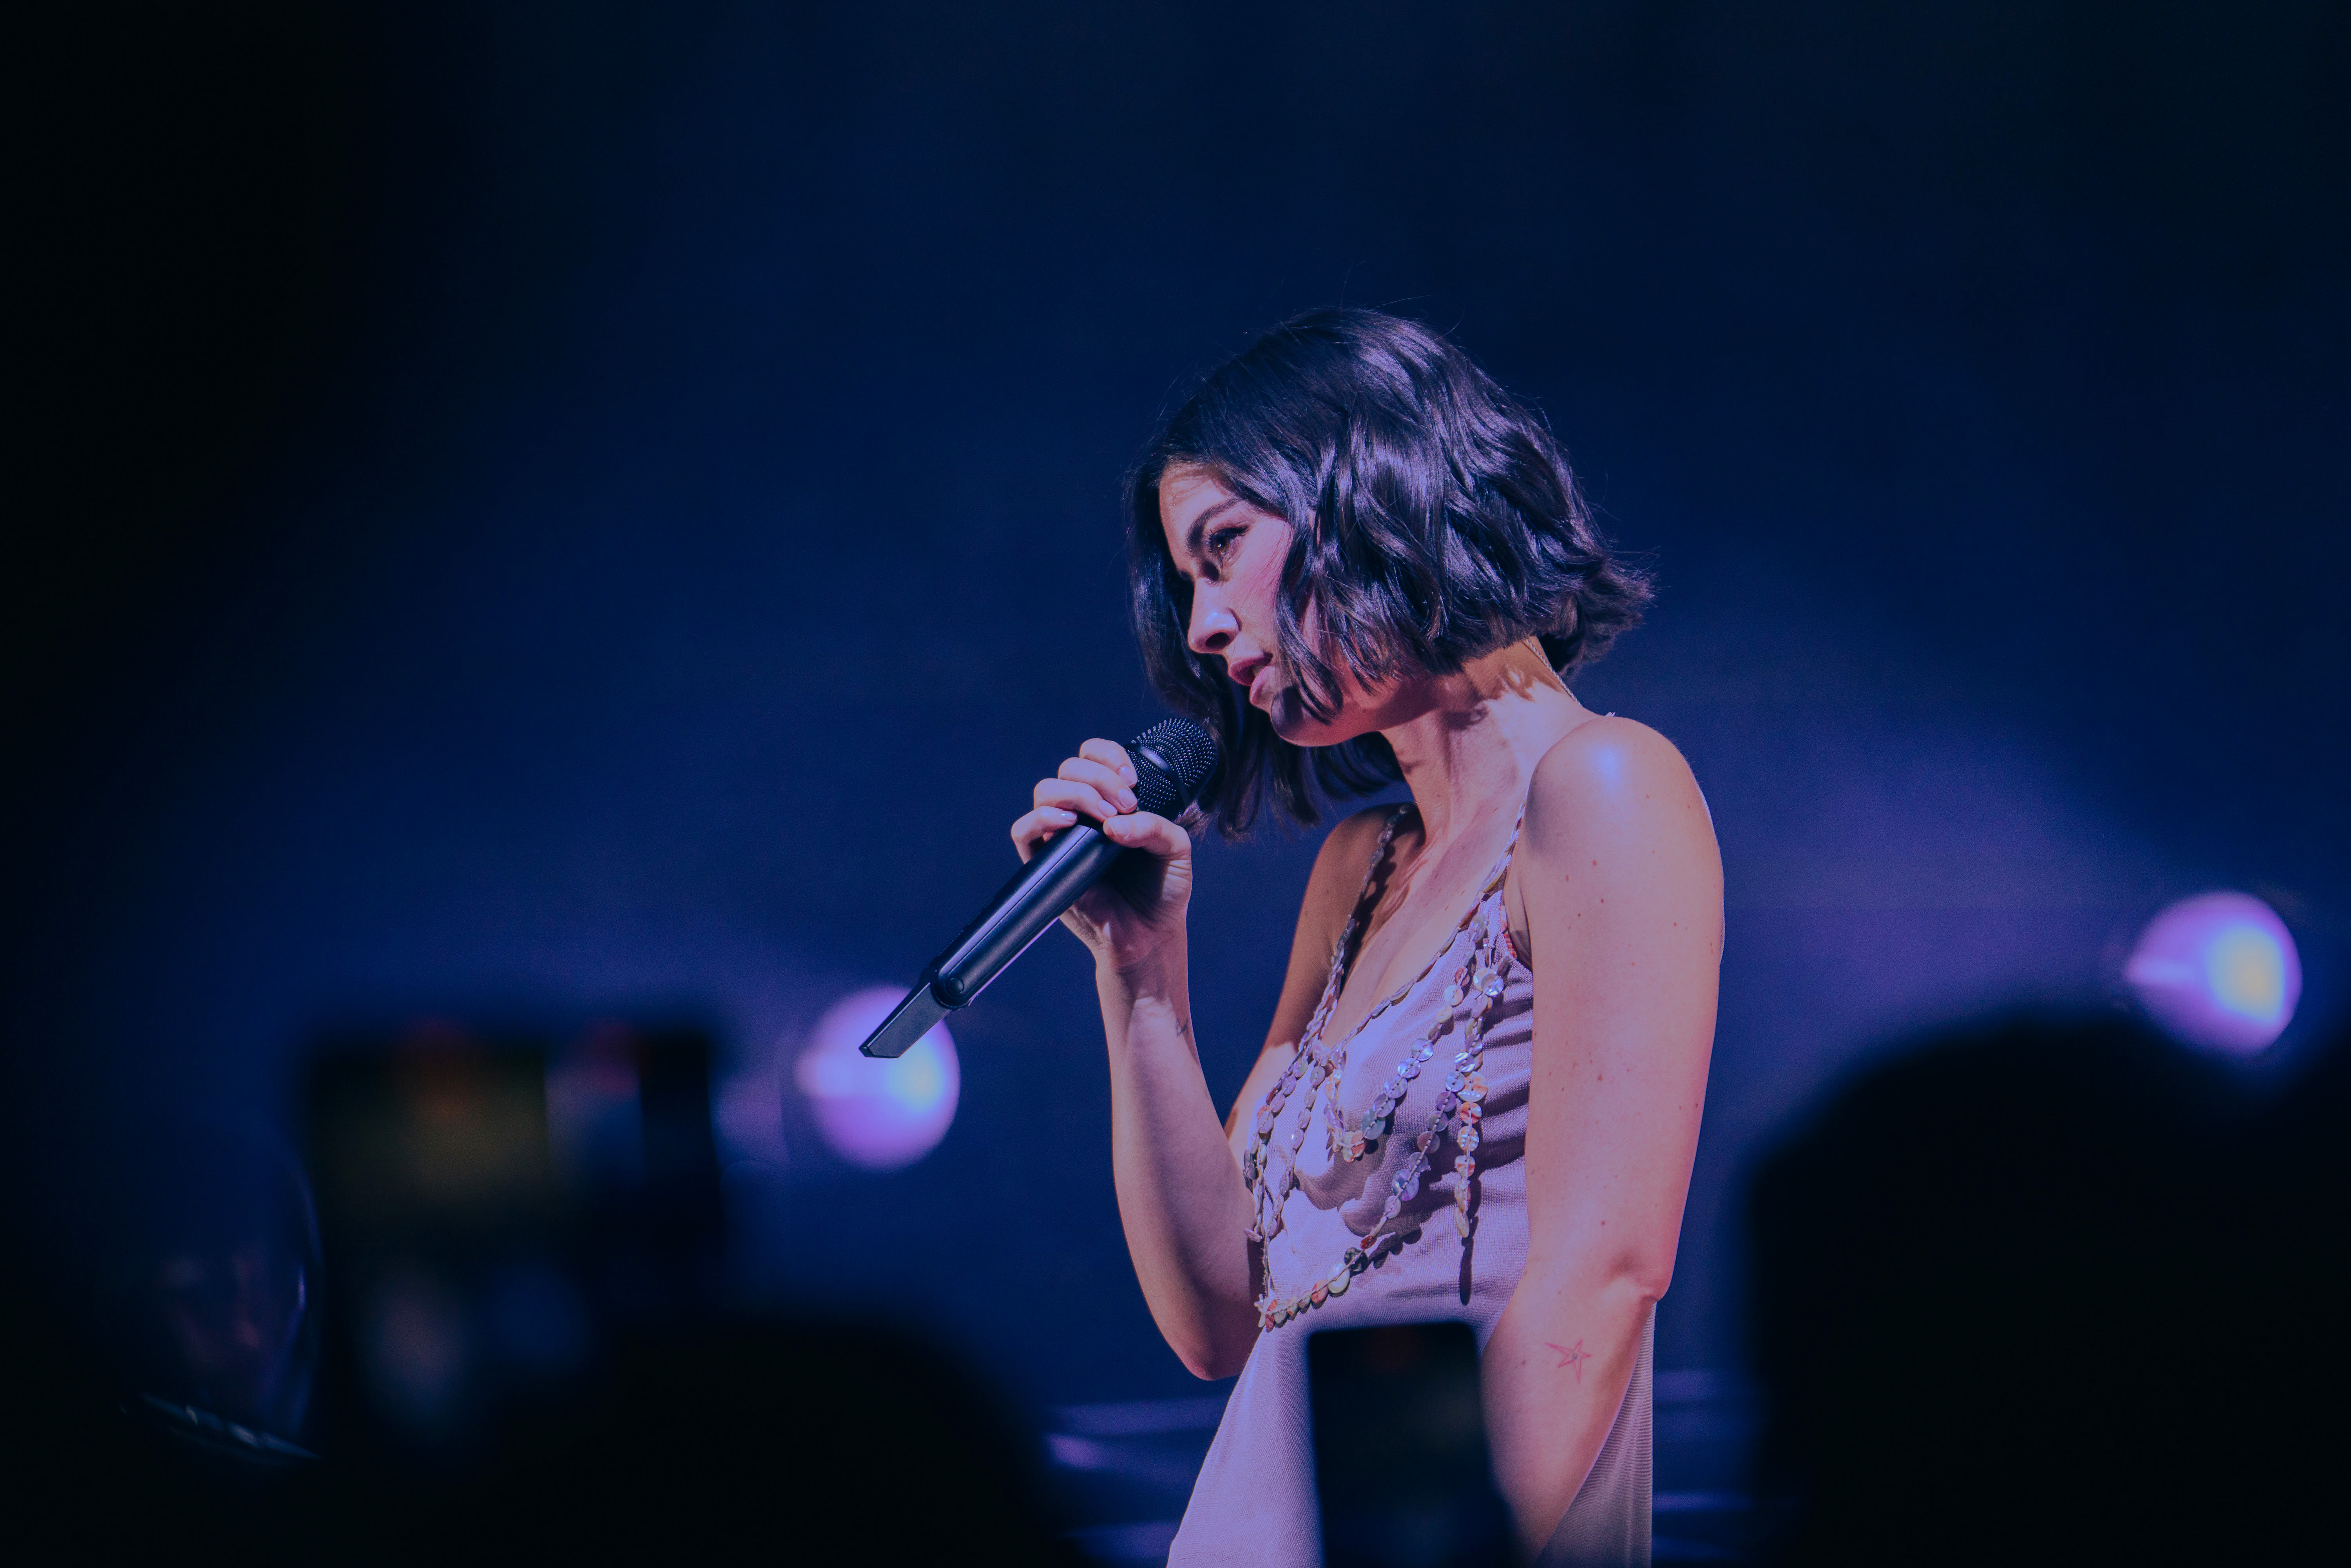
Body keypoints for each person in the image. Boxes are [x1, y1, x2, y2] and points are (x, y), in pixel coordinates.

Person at [1011, 308, 1721, 1567]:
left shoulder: (1607, 785)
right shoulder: (1362, 866)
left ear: (1364, 488)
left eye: (1222, 551)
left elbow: (1603, 1272)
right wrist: (1140, 973)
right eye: (1186, 583)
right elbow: (1220, 1318)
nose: (1202, 628)